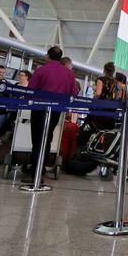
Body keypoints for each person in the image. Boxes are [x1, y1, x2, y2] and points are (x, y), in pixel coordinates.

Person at [27, 46, 79, 176]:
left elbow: (30, 91)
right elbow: (74, 93)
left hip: (39, 108)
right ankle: (42, 167)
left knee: (37, 138)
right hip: (56, 110)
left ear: (47, 56)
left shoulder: (40, 70)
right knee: (48, 136)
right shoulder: (69, 74)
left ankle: (35, 169)